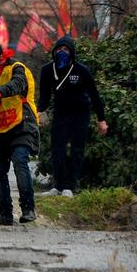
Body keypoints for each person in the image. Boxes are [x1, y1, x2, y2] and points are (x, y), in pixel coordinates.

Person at [0, 40, 40, 226]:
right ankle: (4, 213)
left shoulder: (16, 68)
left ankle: (28, 208)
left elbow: (18, 85)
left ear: (0, 57)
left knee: (20, 160)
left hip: (22, 123)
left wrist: (0, 93)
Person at [37, 35, 107, 196]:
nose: (62, 52)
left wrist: (101, 120)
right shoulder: (47, 70)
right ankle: (58, 185)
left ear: (72, 52)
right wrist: (38, 111)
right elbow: (45, 96)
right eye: (59, 49)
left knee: (76, 149)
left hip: (80, 113)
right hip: (60, 112)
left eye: (66, 49)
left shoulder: (81, 70)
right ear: (54, 51)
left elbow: (94, 95)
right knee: (57, 149)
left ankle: (70, 186)